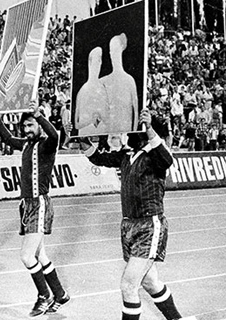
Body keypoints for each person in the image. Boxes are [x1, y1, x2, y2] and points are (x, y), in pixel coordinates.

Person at [77, 109, 185, 320]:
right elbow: (98, 158)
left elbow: (167, 159)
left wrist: (150, 128)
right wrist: (80, 137)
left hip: (149, 225)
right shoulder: (127, 155)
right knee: (150, 282)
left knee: (128, 285)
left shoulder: (155, 154)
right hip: (129, 225)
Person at [0, 101, 70, 316]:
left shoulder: (47, 144)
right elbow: (7, 138)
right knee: (40, 256)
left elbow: (55, 136)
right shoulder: (26, 145)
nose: (27, 130)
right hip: (26, 205)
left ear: (38, 126)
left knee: (27, 256)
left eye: (31, 125)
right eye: (24, 126)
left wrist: (40, 115)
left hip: (39, 204)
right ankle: (60, 294)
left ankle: (43, 295)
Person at [100, 33, 139, 133]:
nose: (113, 53)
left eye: (116, 49)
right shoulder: (104, 81)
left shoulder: (129, 80)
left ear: (121, 50)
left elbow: (136, 111)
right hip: (110, 131)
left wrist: (133, 134)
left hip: (125, 130)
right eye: (111, 50)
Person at [75, 47, 109, 136]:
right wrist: (90, 121)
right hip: (85, 136)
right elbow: (77, 125)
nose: (97, 65)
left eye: (99, 61)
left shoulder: (103, 89)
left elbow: (107, 120)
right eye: (94, 61)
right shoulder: (82, 91)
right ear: (89, 63)